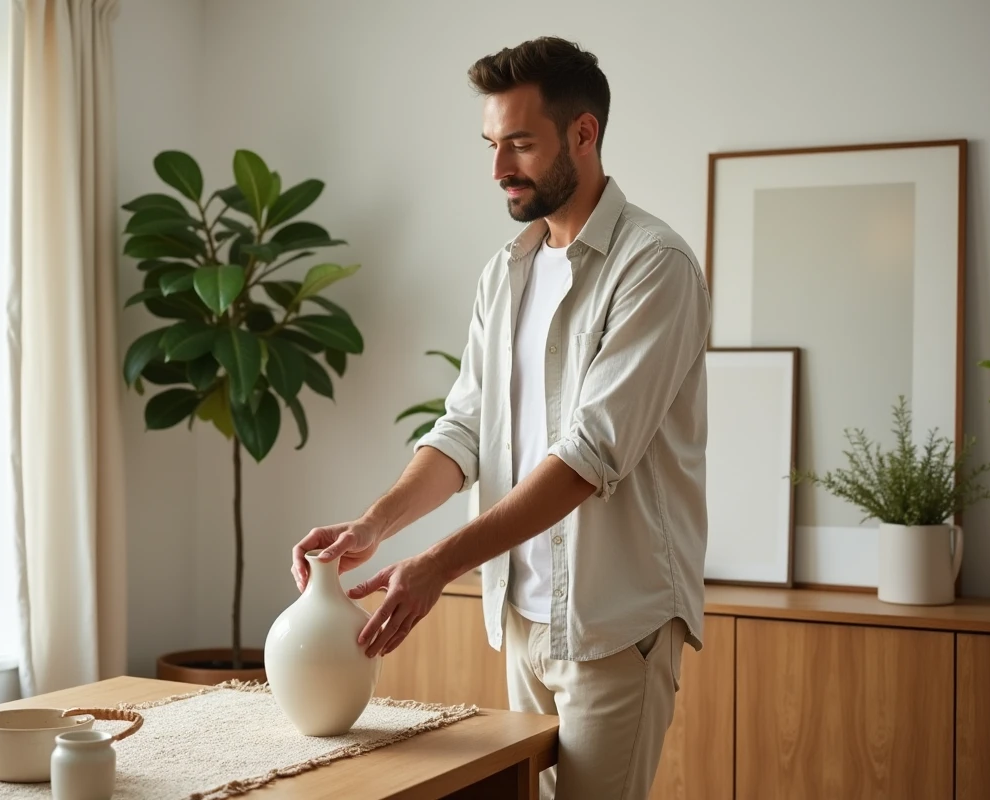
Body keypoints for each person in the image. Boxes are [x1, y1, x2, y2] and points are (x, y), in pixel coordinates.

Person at [291, 35, 710, 800]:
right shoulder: (507, 272)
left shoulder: (655, 266)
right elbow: (462, 429)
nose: (497, 169)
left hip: (615, 629)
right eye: (491, 143)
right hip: (521, 619)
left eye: (519, 143)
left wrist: (436, 566)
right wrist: (375, 526)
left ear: (584, 134)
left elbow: (589, 455)